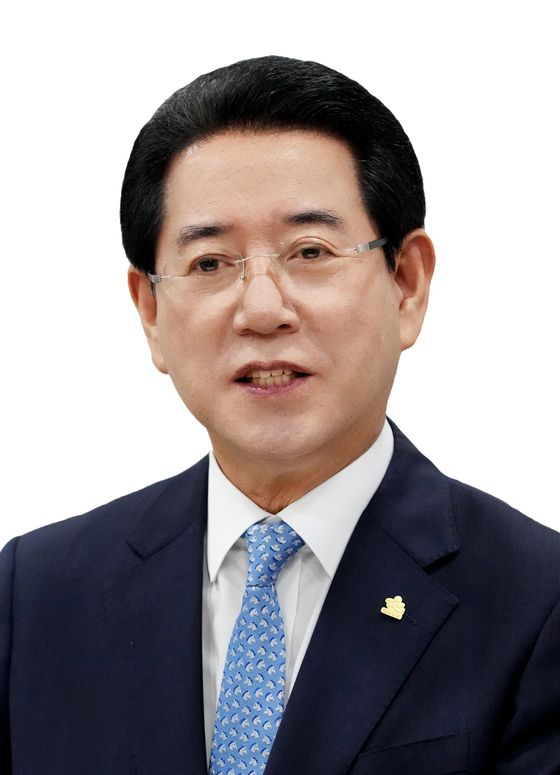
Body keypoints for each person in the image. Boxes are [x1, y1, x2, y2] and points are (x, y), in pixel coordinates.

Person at [1, 55, 559, 774]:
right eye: (210, 263)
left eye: (310, 251)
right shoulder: (34, 596)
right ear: (150, 312)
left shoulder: (536, 602)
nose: (262, 309)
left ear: (406, 283)